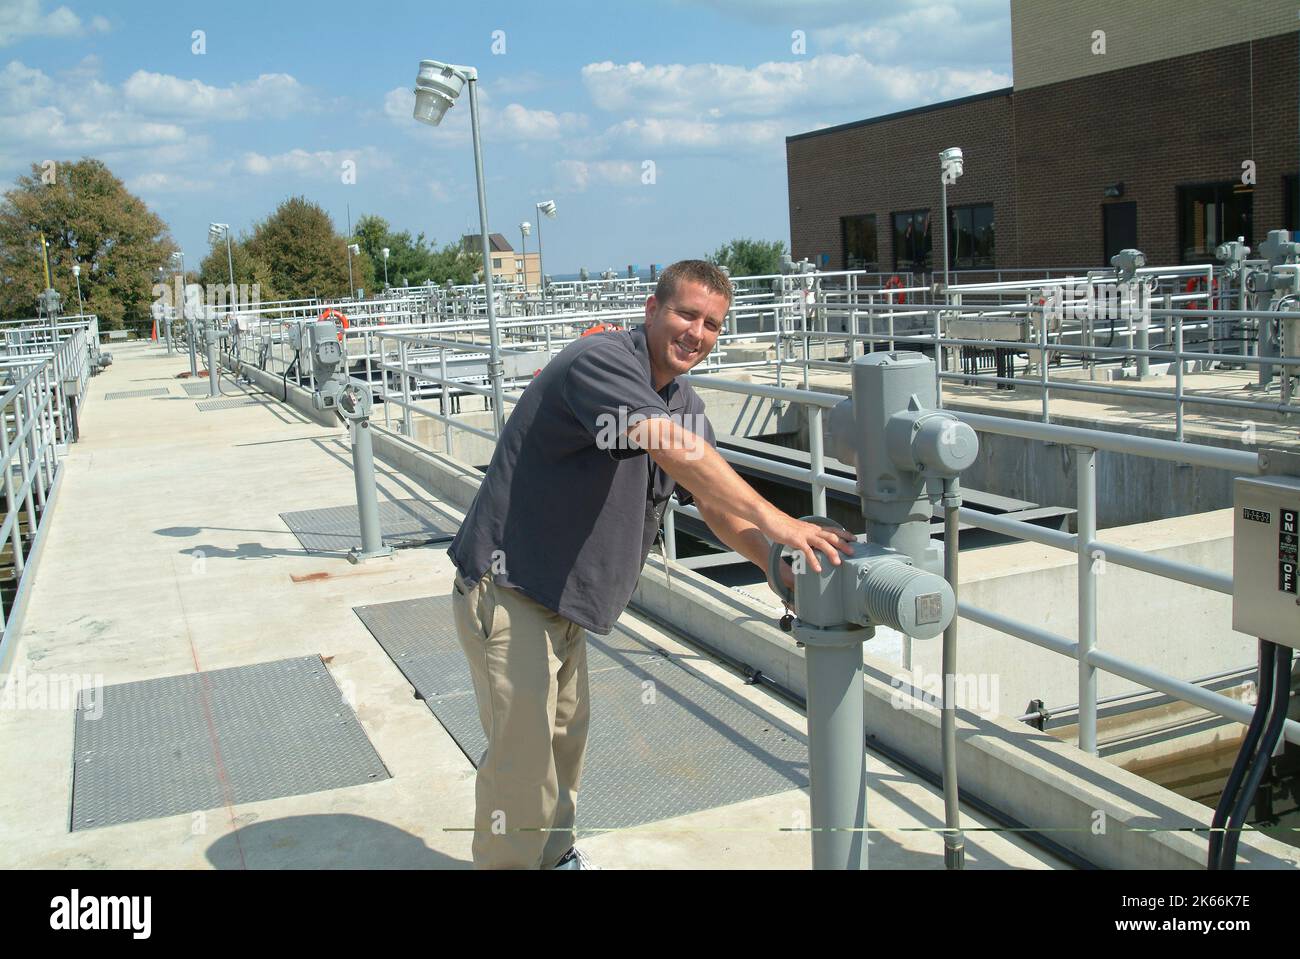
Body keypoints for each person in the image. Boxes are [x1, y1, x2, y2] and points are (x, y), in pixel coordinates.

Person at [447, 259, 853, 869]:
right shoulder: (603, 362)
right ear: (651, 310)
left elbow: (712, 501)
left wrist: (775, 562)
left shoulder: (683, 400)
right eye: (686, 314)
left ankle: (555, 861)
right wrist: (785, 523)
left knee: (563, 746)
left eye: (713, 324)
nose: (697, 333)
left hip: (561, 603)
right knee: (523, 764)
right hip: (508, 587)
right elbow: (671, 446)